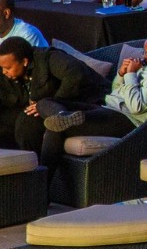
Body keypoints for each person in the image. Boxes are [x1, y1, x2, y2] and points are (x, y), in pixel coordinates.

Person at [37, 33, 147, 176]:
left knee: (55, 128)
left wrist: (130, 74)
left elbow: (137, 106)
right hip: (108, 107)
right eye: (144, 51)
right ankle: (63, 115)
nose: (144, 56)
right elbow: (115, 92)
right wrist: (121, 74)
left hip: (126, 120)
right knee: (45, 102)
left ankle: (43, 181)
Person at [0, 38, 110, 166]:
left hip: (82, 103)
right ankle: (12, 169)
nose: (4, 71)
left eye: (8, 67)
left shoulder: (48, 58)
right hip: (41, 109)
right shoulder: (8, 75)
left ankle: (36, 169)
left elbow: (75, 74)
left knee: (26, 123)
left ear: (24, 61)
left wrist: (53, 102)